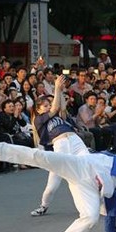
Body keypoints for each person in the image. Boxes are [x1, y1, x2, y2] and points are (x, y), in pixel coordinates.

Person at [30, 75, 92, 217]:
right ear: (38, 110)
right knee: (53, 184)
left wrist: (61, 90)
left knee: (88, 167)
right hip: (60, 145)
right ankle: (43, 206)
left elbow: (61, 107)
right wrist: (56, 88)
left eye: (49, 104)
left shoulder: (58, 116)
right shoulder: (39, 119)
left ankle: (98, 202)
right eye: (45, 105)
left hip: (74, 140)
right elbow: (55, 107)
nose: (49, 106)